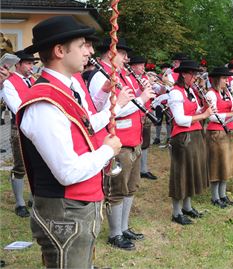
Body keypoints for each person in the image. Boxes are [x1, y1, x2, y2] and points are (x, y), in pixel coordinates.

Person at [17, 16, 122, 268]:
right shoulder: (45, 103)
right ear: (60, 51)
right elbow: (67, 172)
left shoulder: (64, 91)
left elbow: (81, 128)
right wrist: (108, 150)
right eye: (83, 44)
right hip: (66, 211)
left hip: (76, 207)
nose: (90, 51)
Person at [88, 37, 155, 250]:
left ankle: (124, 227)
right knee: (116, 189)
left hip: (133, 138)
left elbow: (131, 103)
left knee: (131, 186)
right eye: (123, 54)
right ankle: (115, 233)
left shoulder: (123, 75)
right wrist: (141, 100)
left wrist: (144, 92)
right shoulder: (100, 77)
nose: (127, 58)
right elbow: (108, 112)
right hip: (118, 140)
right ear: (111, 53)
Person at [167, 60, 212, 225]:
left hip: (195, 135)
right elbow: (179, 119)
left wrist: (204, 108)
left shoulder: (190, 91)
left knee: (192, 171)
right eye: (192, 74)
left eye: (196, 74)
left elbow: (193, 110)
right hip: (183, 138)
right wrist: (204, 115)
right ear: (184, 74)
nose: (195, 77)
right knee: (181, 173)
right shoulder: (175, 92)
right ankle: (176, 212)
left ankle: (187, 206)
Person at [1, 50, 38, 217]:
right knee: (20, 165)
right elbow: (16, 107)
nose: (31, 67)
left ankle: (33, 198)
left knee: (37, 164)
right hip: (19, 127)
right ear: (18, 65)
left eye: (32, 64)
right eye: (28, 63)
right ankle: (19, 203)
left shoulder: (33, 80)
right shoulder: (9, 82)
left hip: (37, 126)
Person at [205, 66, 233, 208]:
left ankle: (223, 194)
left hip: (229, 130)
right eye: (224, 78)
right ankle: (215, 197)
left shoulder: (227, 93)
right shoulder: (210, 94)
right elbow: (212, 116)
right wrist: (231, 114)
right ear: (217, 79)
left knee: (226, 164)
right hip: (216, 133)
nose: (227, 81)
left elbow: (232, 110)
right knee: (217, 165)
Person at [127, 55, 158, 180]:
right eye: (140, 65)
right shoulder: (129, 78)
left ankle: (143, 169)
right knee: (136, 143)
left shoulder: (144, 77)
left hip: (147, 112)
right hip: (136, 114)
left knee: (145, 142)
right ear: (133, 67)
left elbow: (154, 93)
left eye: (143, 65)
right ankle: (138, 169)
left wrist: (152, 85)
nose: (143, 68)